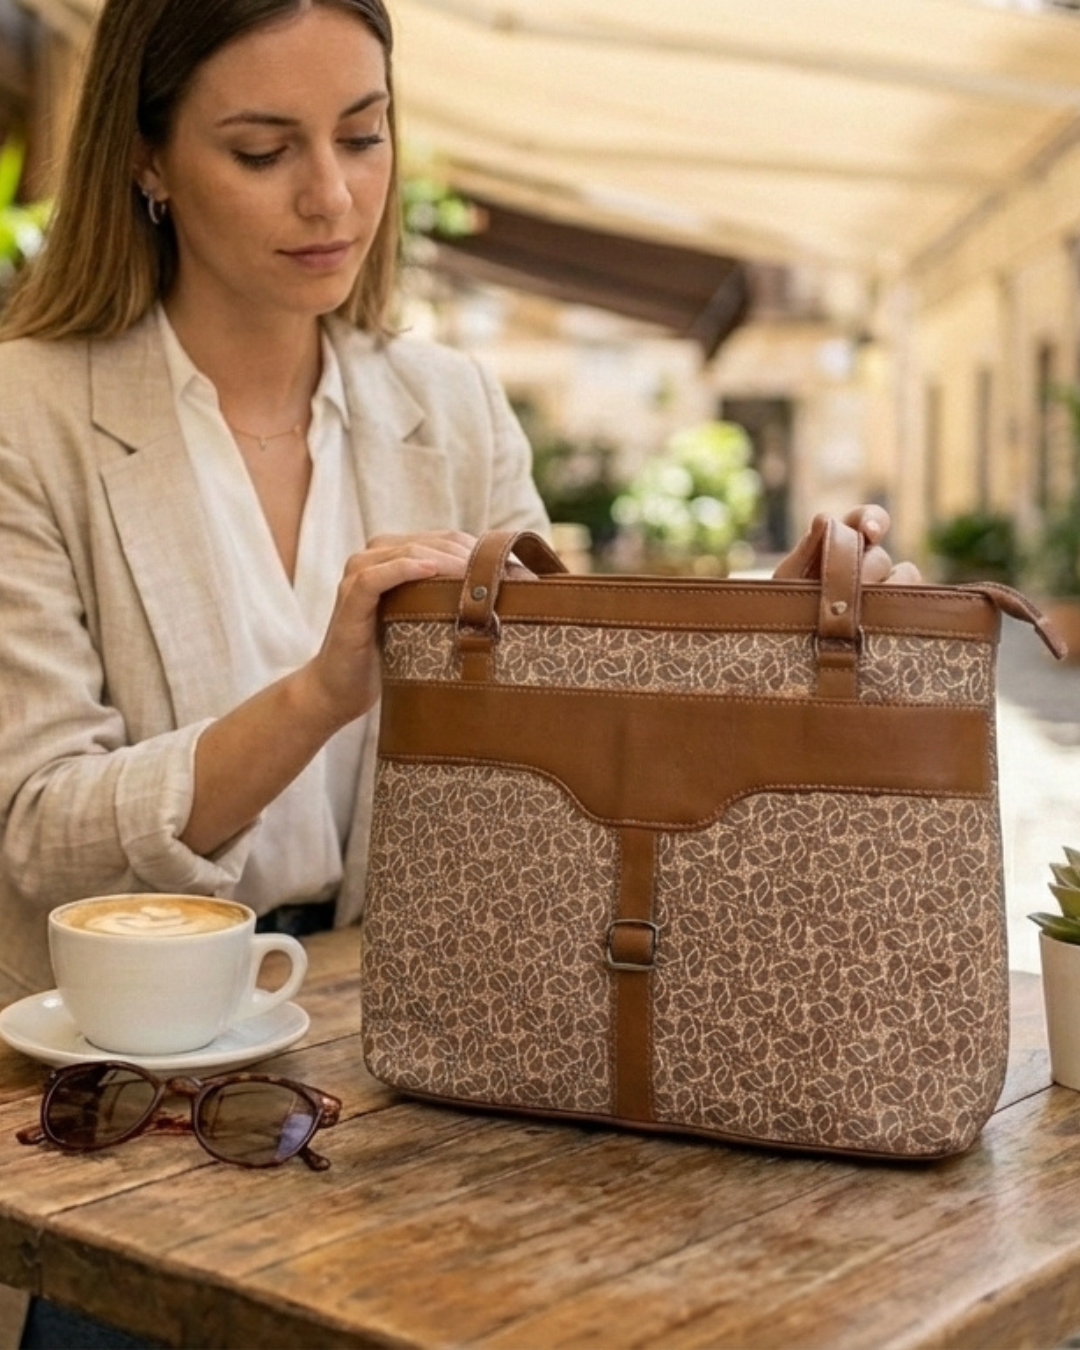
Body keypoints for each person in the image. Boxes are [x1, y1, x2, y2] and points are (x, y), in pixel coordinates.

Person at [0, 1, 915, 1342]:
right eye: (263, 150)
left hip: (425, 1073)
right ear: (145, 159)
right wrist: (317, 696)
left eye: (363, 135)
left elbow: (566, 737)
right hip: (131, 1110)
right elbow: (40, 829)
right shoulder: (30, 419)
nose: (332, 195)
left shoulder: (452, 409)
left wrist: (757, 638)